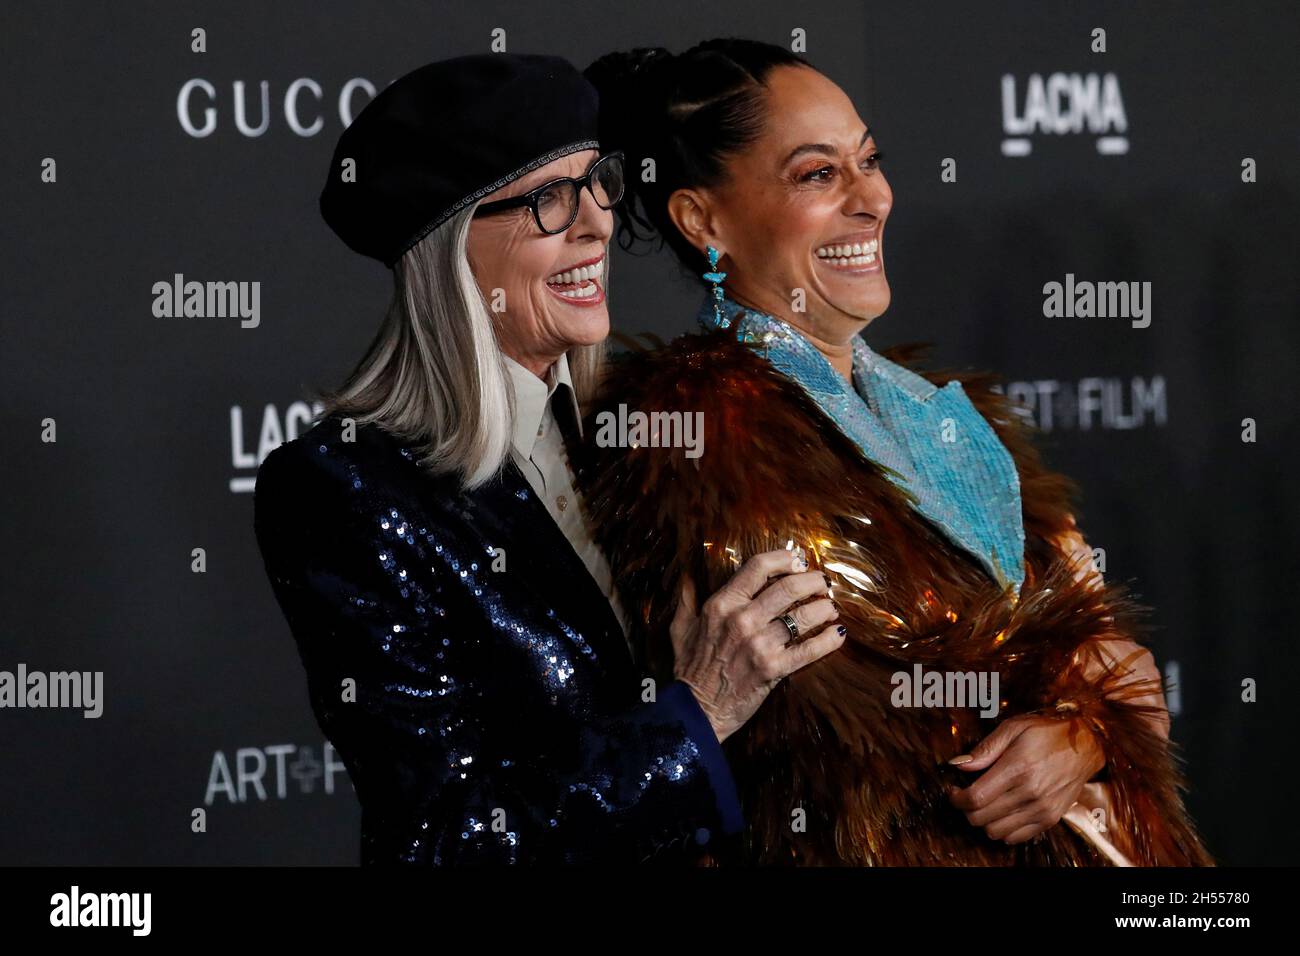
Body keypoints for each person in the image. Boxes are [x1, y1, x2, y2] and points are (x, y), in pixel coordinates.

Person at [579, 39, 1213, 865]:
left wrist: (1084, 734)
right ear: (704, 220)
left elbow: (1114, 667)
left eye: (868, 160)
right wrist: (1078, 708)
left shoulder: (943, 415)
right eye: (817, 174)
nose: (870, 198)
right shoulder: (697, 435)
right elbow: (850, 745)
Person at [252, 53, 844, 865]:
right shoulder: (344, 487)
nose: (598, 223)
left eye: (597, 182)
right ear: (451, 250)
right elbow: (442, 842)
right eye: (548, 200)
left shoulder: (646, 425)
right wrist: (696, 715)